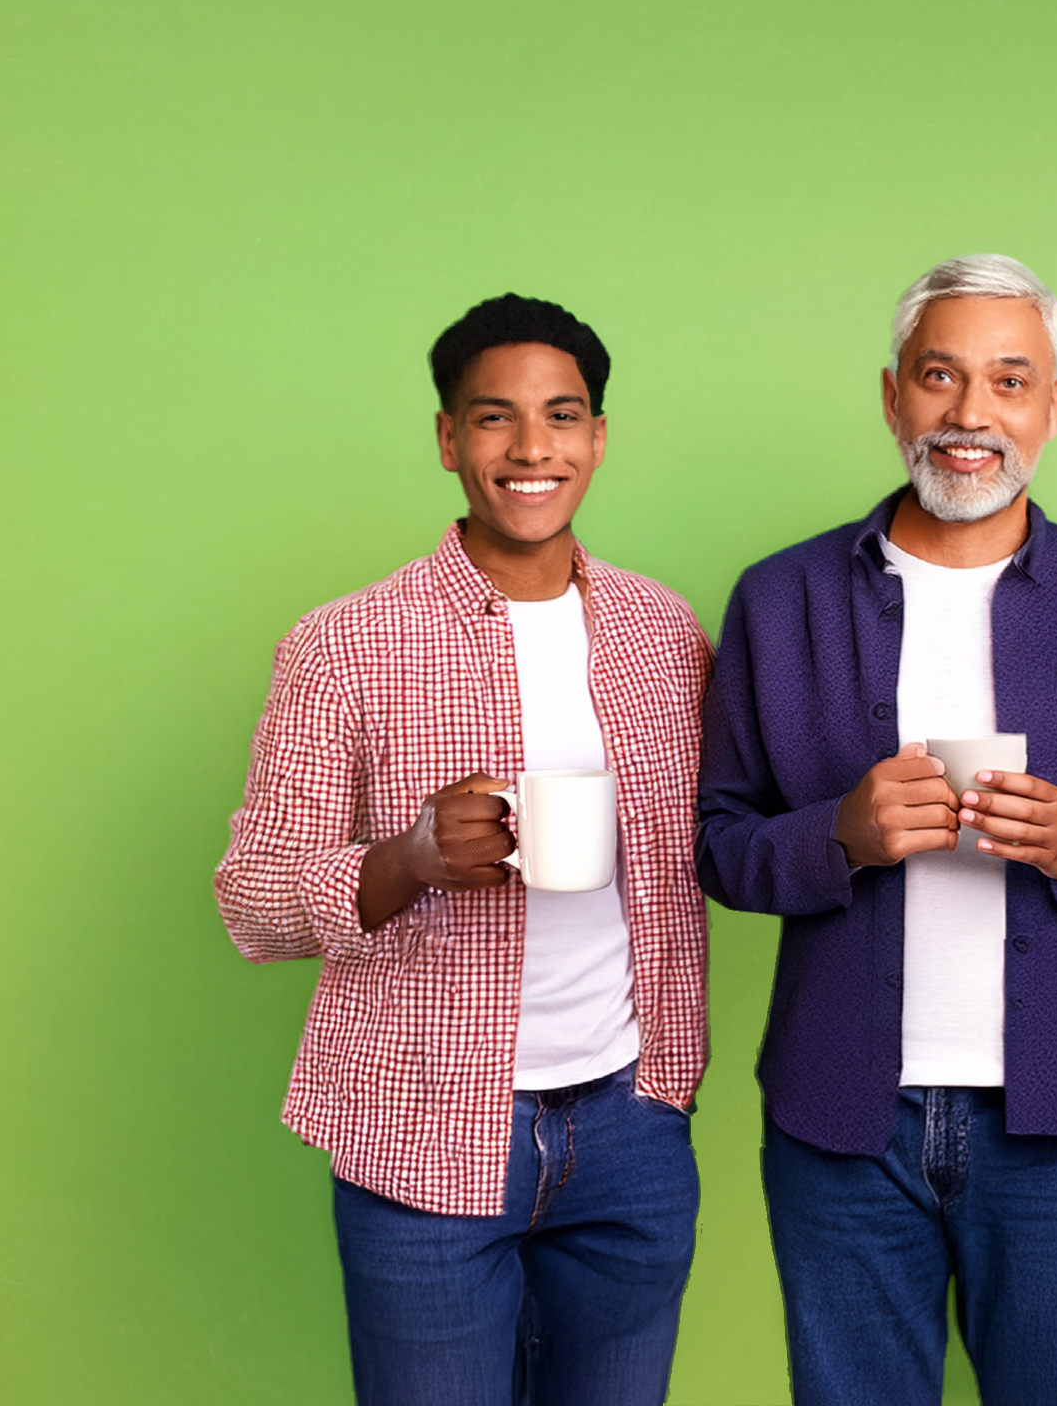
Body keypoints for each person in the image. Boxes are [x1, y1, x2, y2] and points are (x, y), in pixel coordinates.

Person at [697, 254, 1057, 1405]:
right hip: (841, 1120)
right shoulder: (779, 602)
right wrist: (839, 833)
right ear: (892, 398)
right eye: (939, 376)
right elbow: (716, 842)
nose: (970, 413)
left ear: (1053, 408)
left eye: (1008, 381)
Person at [215, 294, 712, 1406]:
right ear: (448, 440)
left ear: (595, 436)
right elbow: (249, 901)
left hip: (630, 1126)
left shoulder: (665, 633)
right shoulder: (345, 643)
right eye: (494, 419)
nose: (531, 449)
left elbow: (718, 839)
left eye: (562, 416)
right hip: (421, 1125)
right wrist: (405, 860)